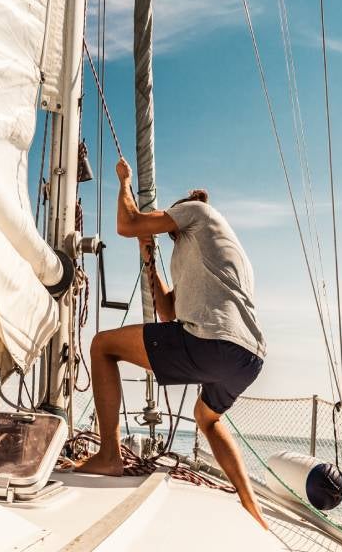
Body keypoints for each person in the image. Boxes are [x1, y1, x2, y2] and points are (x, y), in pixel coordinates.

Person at [75, 156, 268, 530]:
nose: (167, 229)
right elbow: (167, 312)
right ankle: (251, 505)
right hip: (248, 358)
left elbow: (127, 223)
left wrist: (124, 181)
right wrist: (148, 257)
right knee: (207, 419)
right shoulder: (212, 253)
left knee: (102, 346)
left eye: (168, 223)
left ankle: (109, 455)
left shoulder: (197, 211)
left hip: (211, 342)